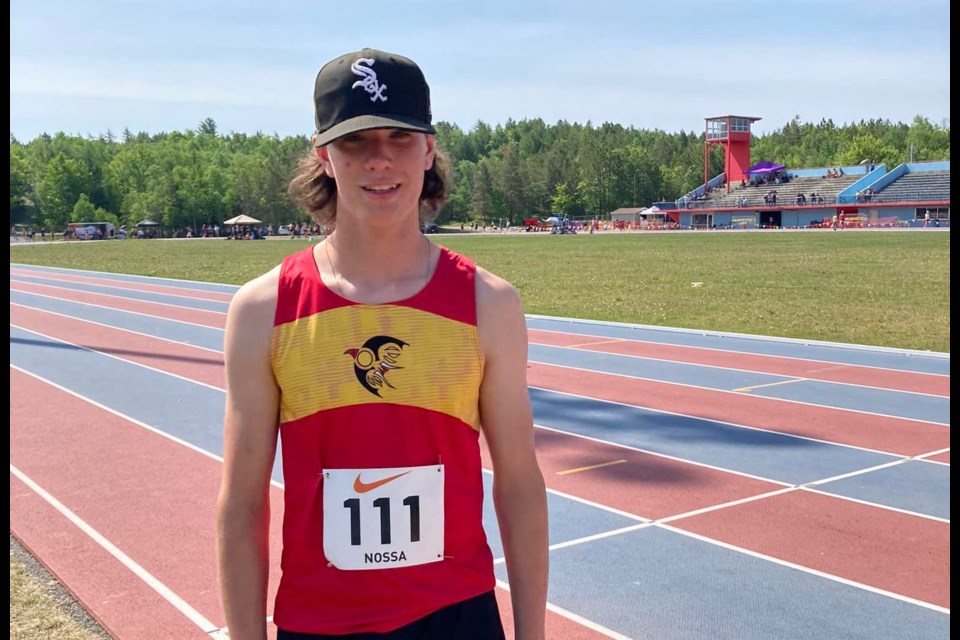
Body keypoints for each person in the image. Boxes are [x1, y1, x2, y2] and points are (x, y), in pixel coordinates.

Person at [217, 48, 548, 640]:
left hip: (458, 620)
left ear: (428, 149)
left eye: (399, 136)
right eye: (355, 140)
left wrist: (533, 635)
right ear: (324, 154)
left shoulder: (489, 305)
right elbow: (242, 506)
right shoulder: (263, 310)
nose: (379, 159)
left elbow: (520, 484)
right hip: (317, 624)